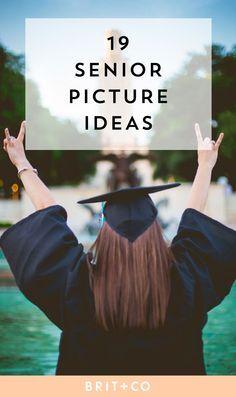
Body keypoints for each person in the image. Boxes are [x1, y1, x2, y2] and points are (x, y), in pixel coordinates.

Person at [0, 122, 235, 375]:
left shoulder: (75, 286)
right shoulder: (185, 282)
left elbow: (48, 214)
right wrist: (205, 165)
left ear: (105, 233)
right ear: (156, 229)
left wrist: (21, 164)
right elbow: (194, 222)